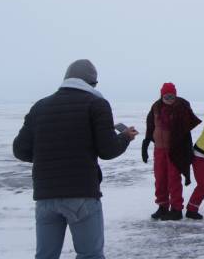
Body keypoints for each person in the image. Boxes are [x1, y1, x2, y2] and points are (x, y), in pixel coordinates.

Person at [13, 59, 139, 259]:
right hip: (82, 195)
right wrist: (124, 138)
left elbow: (20, 150)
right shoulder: (97, 104)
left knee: (45, 256)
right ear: (92, 83)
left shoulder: (40, 106)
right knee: (90, 255)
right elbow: (108, 150)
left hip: (46, 197)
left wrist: (48, 155)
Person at [141, 82, 201, 221]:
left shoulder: (181, 106)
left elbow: (188, 124)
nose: (169, 98)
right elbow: (150, 124)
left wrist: (180, 109)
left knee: (174, 179)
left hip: (175, 149)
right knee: (160, 178)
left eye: (172, 95)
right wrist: (146, 143)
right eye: (166, 95)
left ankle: (176, 209)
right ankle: (162, 206)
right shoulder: (156, 106)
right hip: (159, 149)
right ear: (162, 95)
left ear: (175, 95)